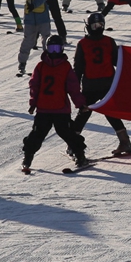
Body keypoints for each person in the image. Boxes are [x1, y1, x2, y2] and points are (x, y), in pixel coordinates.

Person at [71, 12, 131, 156]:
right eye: (95, 25)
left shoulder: (83, 43)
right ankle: (124, 141)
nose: (97, 28)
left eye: (99, 25)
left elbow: (78, 68)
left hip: (92, 85)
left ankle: (73, 144)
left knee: (84, 113)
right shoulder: (108, 41)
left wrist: (75, 88)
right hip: (107, 84)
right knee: (108, 112)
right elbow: (118, 62)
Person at [21, 40, 90, 172]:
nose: (54, 52)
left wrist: (80, 104)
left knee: (67, 133)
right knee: (37, 134)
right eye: (51, 48)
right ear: (46, 48)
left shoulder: (65, 66)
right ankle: (28, 157)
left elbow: (73, 88)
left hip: (61, 109)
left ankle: (80, 155)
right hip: (43, 108)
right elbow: (34, 86)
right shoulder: (41, 67)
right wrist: (33, 104)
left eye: (57, 48)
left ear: (62, 49)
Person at [16, 0, 52, 76]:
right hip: (30, 19)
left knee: (46, 39)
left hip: (43, 18)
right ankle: (22, 62)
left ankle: (50, 61)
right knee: (28, 41)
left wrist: (34, 5)